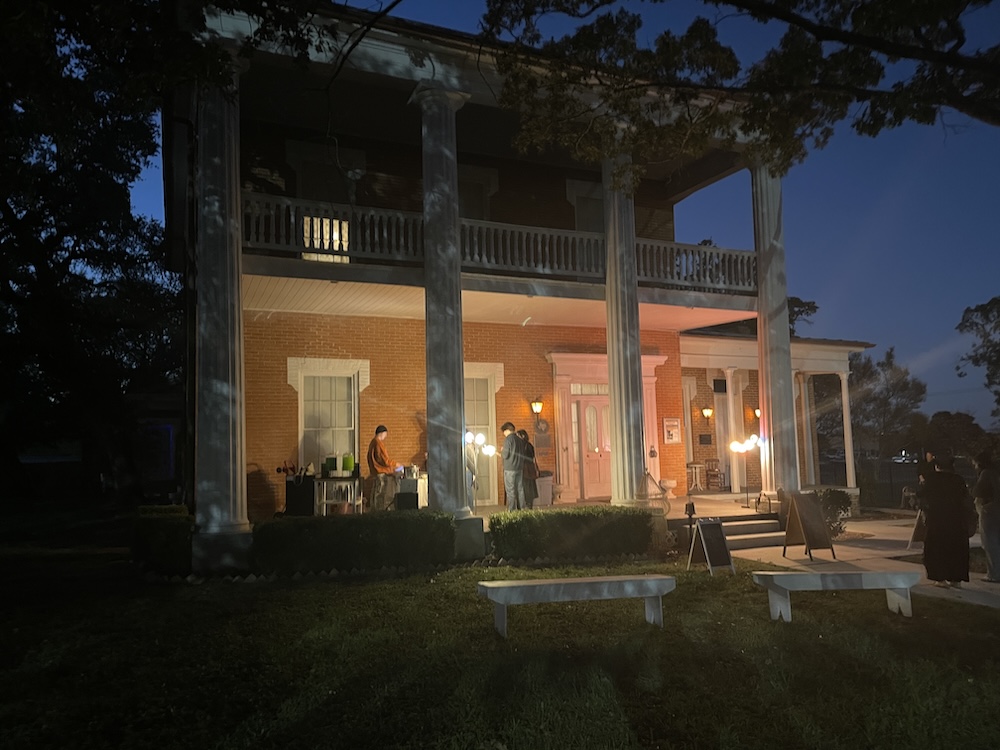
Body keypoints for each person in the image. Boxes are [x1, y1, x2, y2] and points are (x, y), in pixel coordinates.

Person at [917, 455, 970, 588]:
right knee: (956, 549)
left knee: (936, 548)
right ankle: (956, 578)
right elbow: (965, 497)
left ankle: (939, 578)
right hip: (956, 520)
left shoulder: (932, 479)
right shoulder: (958, 480)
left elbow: (921, 494)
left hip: (937, 520)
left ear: (937, 466)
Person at [972, 450, 1000, 584]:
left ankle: (994, 573)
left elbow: (978, 491)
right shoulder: (996, 472)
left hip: (989, 510)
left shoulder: (986, 474)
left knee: (990, 542)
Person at [366, 424, 401, 511]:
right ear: (382, 433)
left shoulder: (372, 443)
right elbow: (385, 460)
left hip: (375, 472)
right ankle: (379, 513)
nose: (386, 436)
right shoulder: (378, 443)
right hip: (381, 473)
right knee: (380, 494)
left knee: (375, 493)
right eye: (385, 434)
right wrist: (396, 464)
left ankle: (373, 511)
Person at [499, 422, 527, 510]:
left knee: (510, 490)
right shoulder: (520, 440)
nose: (504, 434)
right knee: (520, 489)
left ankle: (512, 510)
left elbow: (505, 455)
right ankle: (522, 508)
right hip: (519, 468)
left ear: (507, 430)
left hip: (509, 468)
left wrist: (502, 451)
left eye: (504, 432)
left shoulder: (508, 440)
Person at [516, 429, 539, 510]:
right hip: (530, 469)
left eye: (518, 435)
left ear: (522, 436)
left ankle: (523, 504)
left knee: (523, 486)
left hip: (524, 469)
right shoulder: (529, 445)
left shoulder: (520, 445)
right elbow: (532, 457)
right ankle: (529, 504)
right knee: (530, 486)